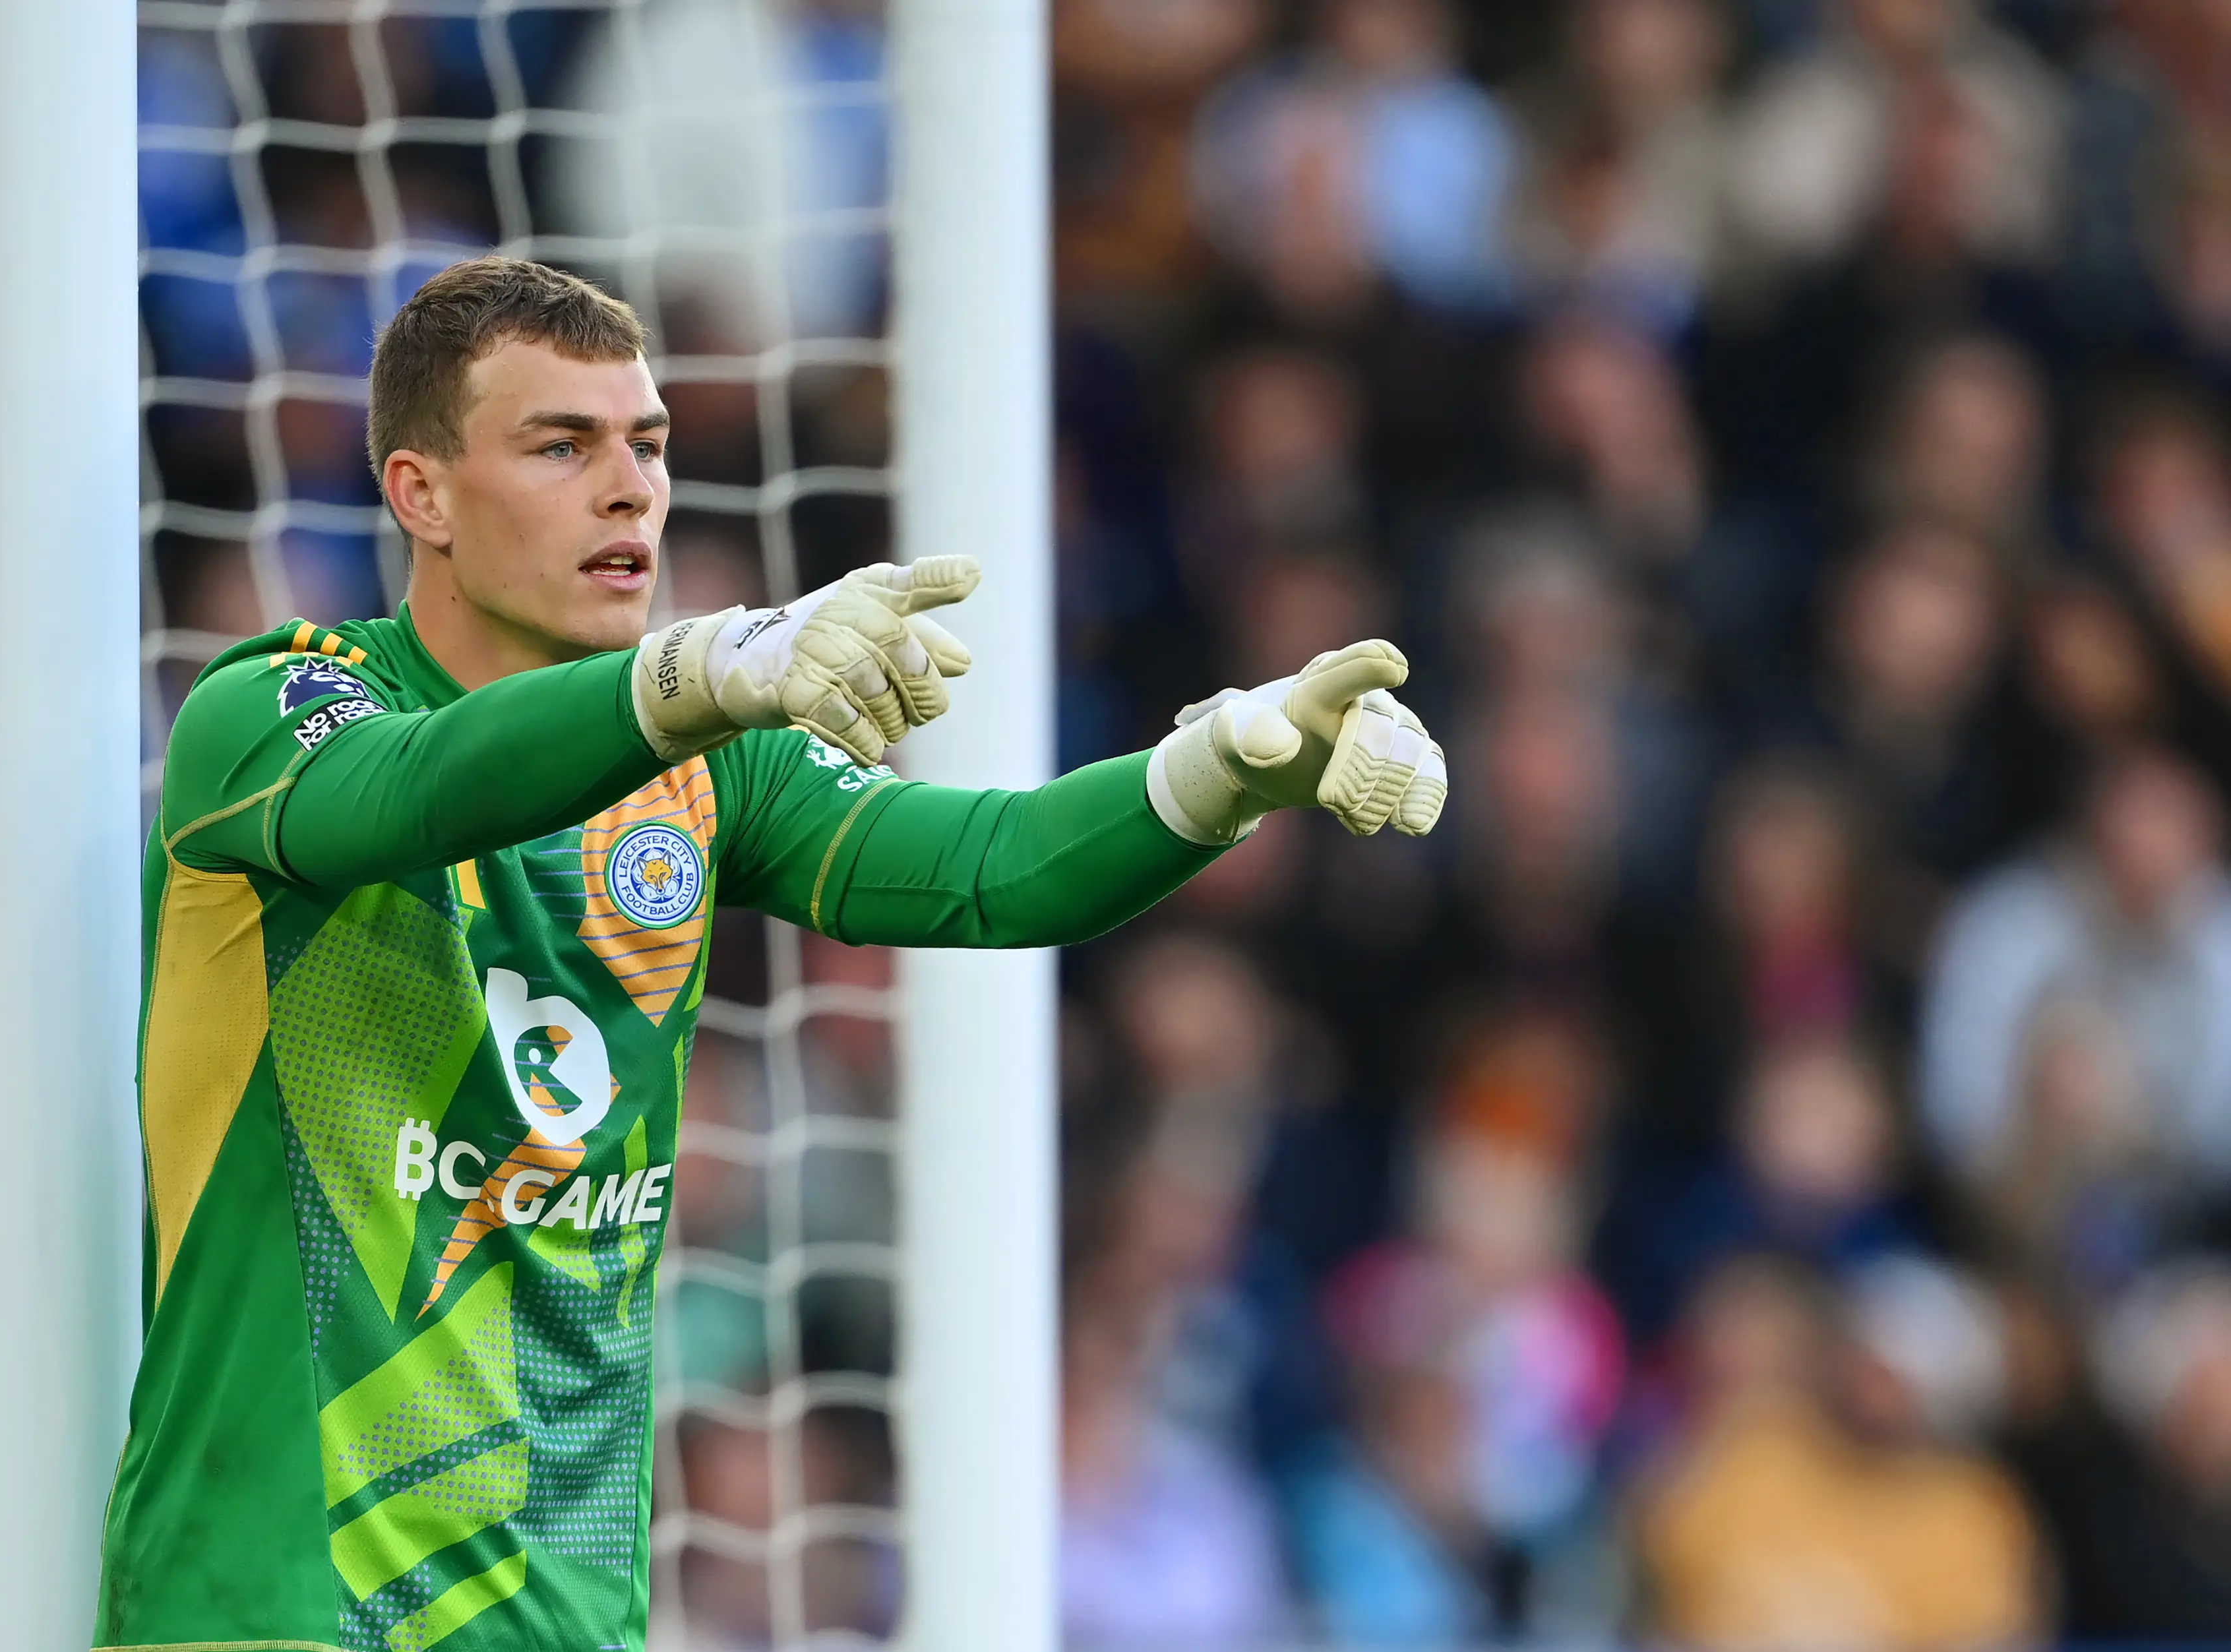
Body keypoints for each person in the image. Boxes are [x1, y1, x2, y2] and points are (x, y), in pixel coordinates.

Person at [90, 255, 1449, 1652]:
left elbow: (988, 869)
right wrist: (705, 672)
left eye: (649, 446)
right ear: (418, 492)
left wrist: (1222, 765)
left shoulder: (704, 774)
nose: (630, 489)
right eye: (562, 446)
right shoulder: (272, 710)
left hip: (569, 1625)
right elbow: (421, 790)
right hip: (271, 1610)